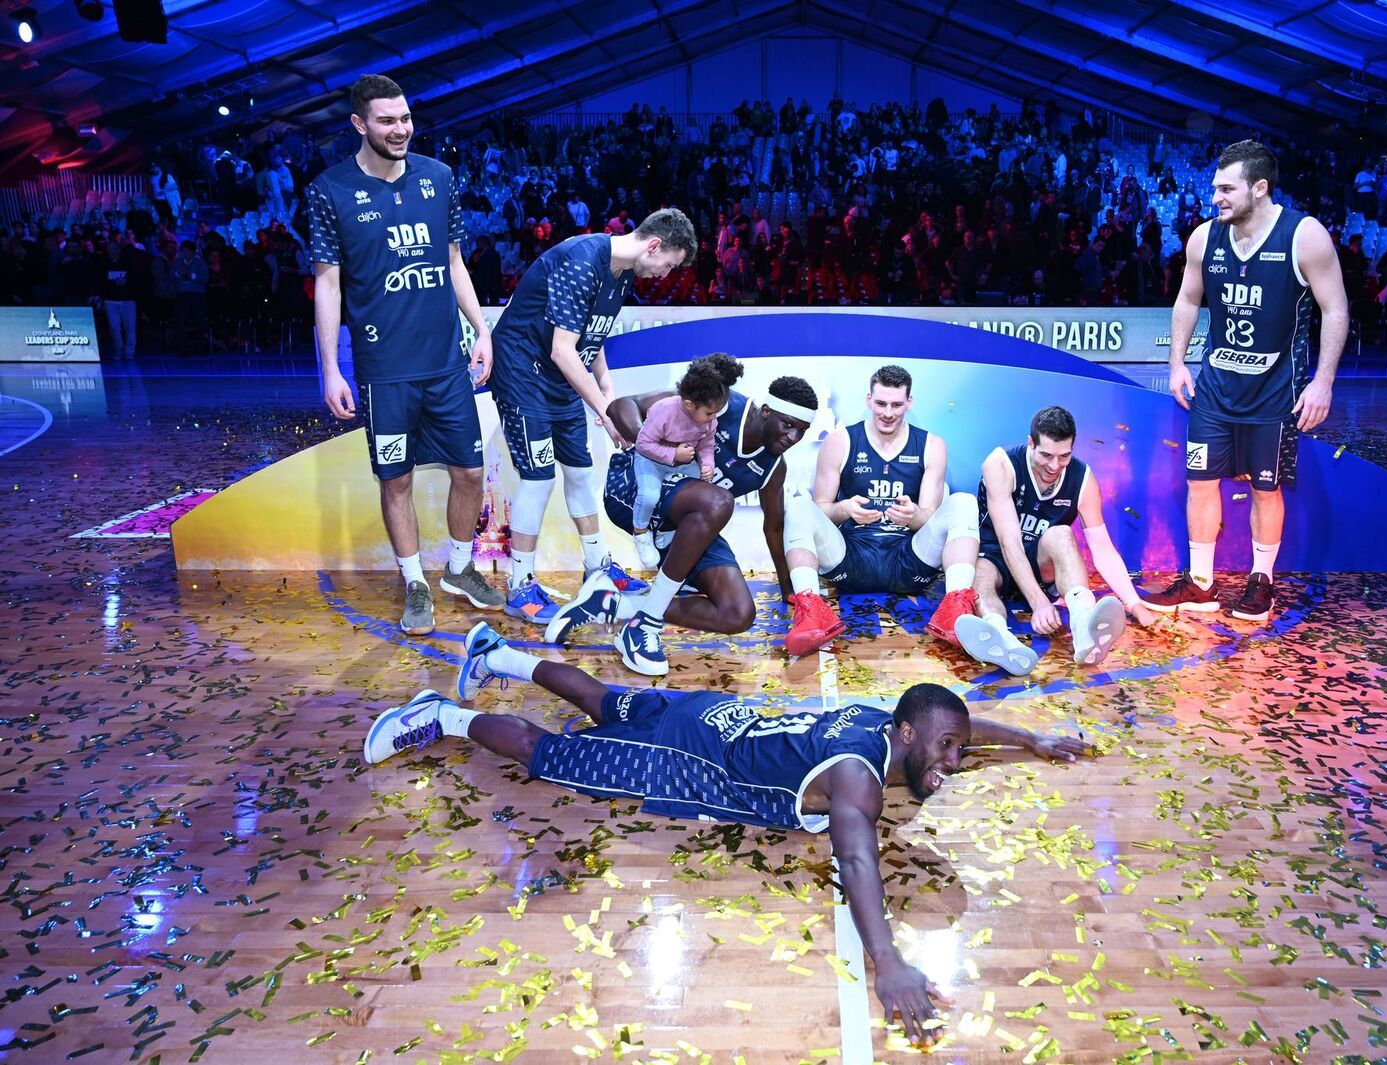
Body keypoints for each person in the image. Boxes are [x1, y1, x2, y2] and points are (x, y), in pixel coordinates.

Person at [362, 622, 1093, 1044]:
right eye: (945, 750)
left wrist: (1029, 739)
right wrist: (888, 961)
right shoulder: (858, 780)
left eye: (957, 750)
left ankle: (497, 655)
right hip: (685, 758)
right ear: (906, 735)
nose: (953, 762)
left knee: (608, 700)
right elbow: (858, 862)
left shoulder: (888, 720)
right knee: (550, 755)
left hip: (707, 713)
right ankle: (442, 715)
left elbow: (958, 723)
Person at [307, 74, 501, 636]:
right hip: (384, 371)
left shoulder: (439, 177)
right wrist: (331, 368)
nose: (401, 129)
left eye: (406, 118)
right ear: (359, 124)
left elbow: (455, 261)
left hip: (446, 363)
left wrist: (481, 329)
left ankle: (459, 569)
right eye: (387, 120)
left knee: (470, 471)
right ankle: (415, 581)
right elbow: (327, 283)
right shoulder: (329, 190)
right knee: (396, 481)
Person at [1148, 140, 1348, 621]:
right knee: (1200, 482)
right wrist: (1177, 364)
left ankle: (1262, 582)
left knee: (1266, 489)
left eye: (1226, 188)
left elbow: (1336, 309)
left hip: (1276, 392)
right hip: (1216, 388)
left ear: (1259, 188)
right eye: (1215, 187)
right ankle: (1200, 584)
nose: (1215, 197)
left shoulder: (1304, 236)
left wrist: (1323, 383)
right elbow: (1187, 300)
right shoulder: (1205, 238)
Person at [487, 207, 698, 627]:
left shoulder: (623, 273)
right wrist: (606, 411)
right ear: (654, 245)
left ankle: (597, 567)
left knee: (581, 472)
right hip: (522, 374)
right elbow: (562, 350)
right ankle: (520, 584)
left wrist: (606, 387)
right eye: (669, 264)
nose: (665, 275)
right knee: (539, 478)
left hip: (560, 378)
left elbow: (590, 334)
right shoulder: (582, 260)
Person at [544, 363, 818, 676]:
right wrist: (662, 453)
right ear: (766, 411)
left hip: (686, 525)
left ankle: (613, 605)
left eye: (802, 431)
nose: (793, 437)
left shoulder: (773, 468)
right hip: (634, 493)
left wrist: (789, 588)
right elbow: (622, 406)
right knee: (719, 501)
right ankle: (645, 626)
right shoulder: (721, 403)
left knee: (738, 613)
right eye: (788, 425)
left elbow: (774, 527)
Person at [780, 364, 983, 659]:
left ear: (909, 402)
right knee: (799, 504)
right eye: (881, 403)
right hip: (851, 560)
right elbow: (821, 509)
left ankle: (956, 613)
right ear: (868, 400)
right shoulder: (840, 441)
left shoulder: (932, 445)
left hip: (909, 561)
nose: (888, 413)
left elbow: (929, 516)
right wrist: (845, 509)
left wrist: (913, 516)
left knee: (964, 501)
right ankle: (811, 612)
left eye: (896, 405)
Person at [956, 406, 1156, 676]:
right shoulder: (1001, 464)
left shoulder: (1083, 479)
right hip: (997, 557)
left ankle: (1084, 629)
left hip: (1041, 564)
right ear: (1031, 443)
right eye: (1046, 455)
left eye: (1064, 456)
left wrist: (1134, 603)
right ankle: (999, 638)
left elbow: (1102, 549)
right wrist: (1038, 602)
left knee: (1061, 534)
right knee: (979, 572)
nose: (1054, 466)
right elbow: (1009, 542)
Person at [630, 357, 725, 568]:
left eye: (716, 413)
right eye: (709, 413)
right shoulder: (664, 410)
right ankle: (641, 532)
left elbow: (707, 445)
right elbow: (643, 444)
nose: (713, 418)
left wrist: (708, 465)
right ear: (689, 404)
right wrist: (674, 454)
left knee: (699, 492)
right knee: (649, 496)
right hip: (650, 460)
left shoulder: (709, 421)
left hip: (683, 462)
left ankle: (667, 526)